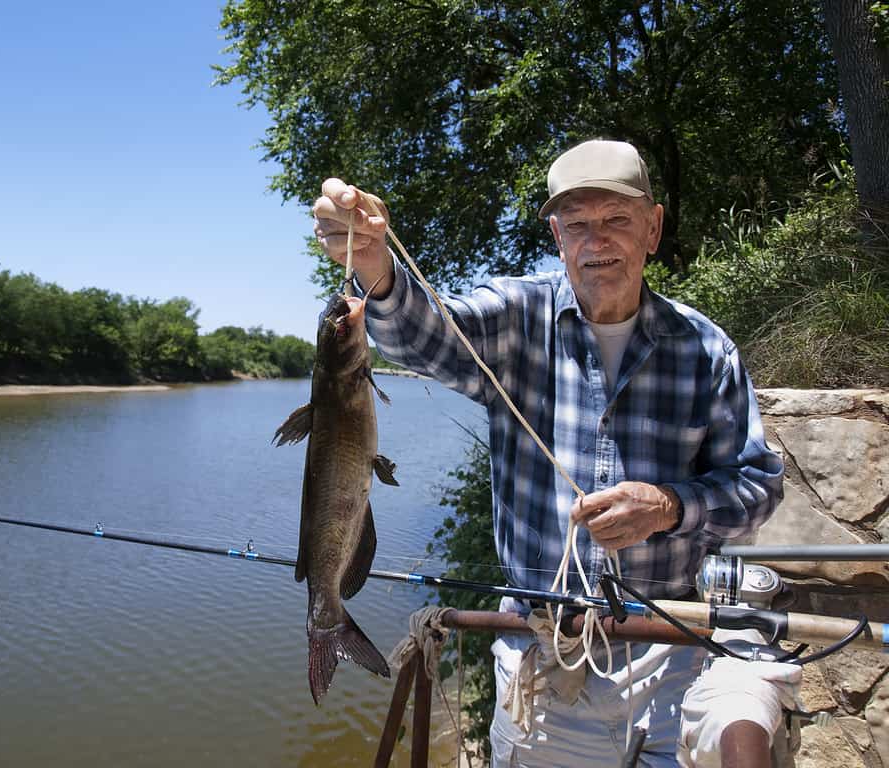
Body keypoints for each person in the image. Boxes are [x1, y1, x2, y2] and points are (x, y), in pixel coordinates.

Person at [311, 139, 785, 767]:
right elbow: (425, 336)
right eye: (579, 224)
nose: (598, 241)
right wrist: (375, 265)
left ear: (654, 227)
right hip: (540, 659)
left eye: (617, 219)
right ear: (557, 235)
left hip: (670, 655)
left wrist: (671, 506)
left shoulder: (705, 348)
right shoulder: (516, 319)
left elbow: (759, 485)